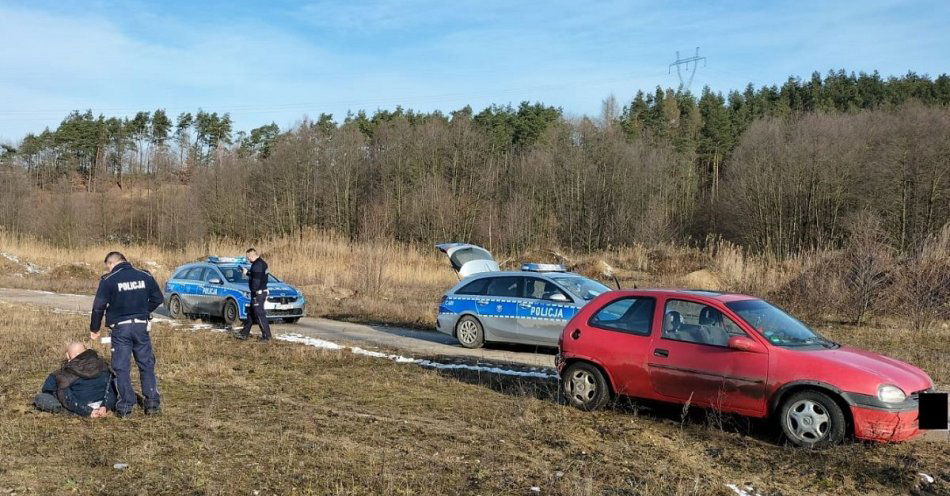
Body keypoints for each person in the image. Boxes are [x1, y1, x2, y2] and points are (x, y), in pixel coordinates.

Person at [90, 251, 164, 417]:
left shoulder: (108, 280)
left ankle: (125, 406)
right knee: (146, 363)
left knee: (121, 367)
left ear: (111, 263)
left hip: (120, 329)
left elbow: (98, 307)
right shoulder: (144, 275)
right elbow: (158, 299)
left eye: (108, 267)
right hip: (141, 327)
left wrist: (94, 329)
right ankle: (152, 403)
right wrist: (143, 311)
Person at [35, 342, 116, 418]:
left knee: (41, 397)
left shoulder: (61, 373)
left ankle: (67, 412)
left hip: (78, 408)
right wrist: (105, 406)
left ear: (67, 355)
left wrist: (88, 411)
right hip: (102, 405)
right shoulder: (104, 365)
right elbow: (110, 389)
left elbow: (48, 390)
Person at [237, 248, 272, 341]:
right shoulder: (261, 264)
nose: (248, 259)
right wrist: (247, 273)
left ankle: (267, 336)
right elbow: (256, 276)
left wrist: (254, 291)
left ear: (252, 255)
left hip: (258, 294)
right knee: (251, 314)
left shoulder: (257, 265)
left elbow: (256, 281)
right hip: (260, 292)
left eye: (248, 257)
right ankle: (244, 333)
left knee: (259, 314)